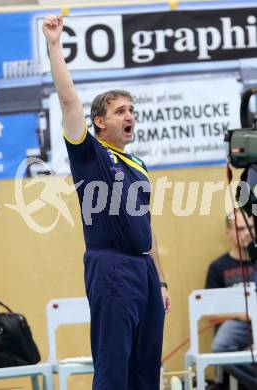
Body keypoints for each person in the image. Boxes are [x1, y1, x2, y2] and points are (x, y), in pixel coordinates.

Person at [42, 14, 171, 390]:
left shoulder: (140, 165)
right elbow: (68, 100)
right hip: (110, 267)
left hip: (144, 273)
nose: (129, 116)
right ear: (99, 122)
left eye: (132, 111)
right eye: (120, 111)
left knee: (146, 372)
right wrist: (54, 45)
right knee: (114, 370)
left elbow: (148, 230)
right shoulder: (91, 155)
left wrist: (160, 281)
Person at [205, 209, 257, 390]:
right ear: (228, 233)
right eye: (240, 229)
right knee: (220, 347)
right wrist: (240, 314)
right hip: (237, 324)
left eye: (250, 228)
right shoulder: (218, 268)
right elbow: (211, 314)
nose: (247, 234)